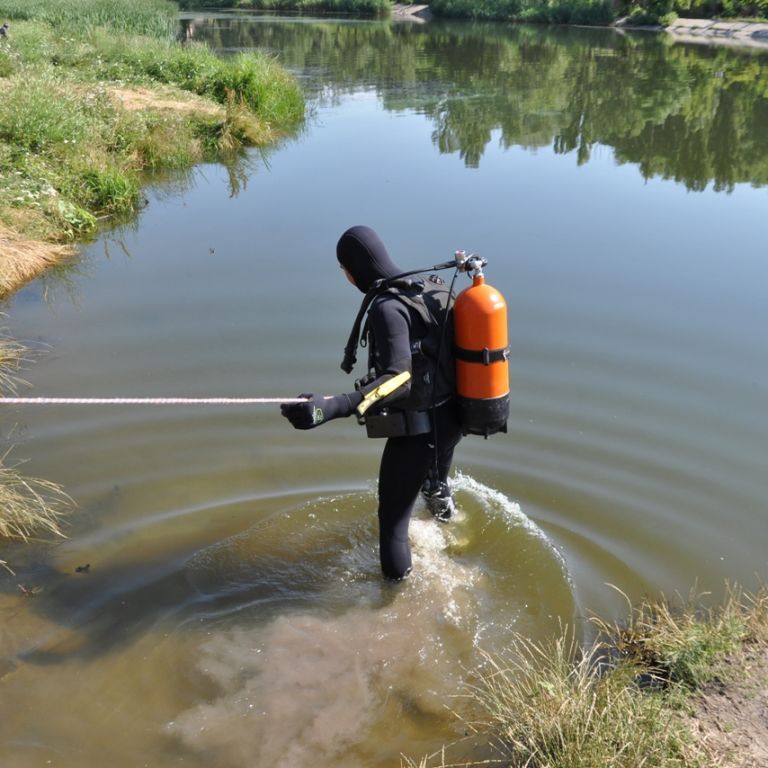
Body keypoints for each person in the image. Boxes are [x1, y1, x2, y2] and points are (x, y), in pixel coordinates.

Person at [281, 225, 464, 581]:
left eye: (343, 270)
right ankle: (453, 534)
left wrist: (328, 408)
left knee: (392, 525)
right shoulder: (430, 289)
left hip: (417, 432)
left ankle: (395, 603)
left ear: (353, 268)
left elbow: (398, 379)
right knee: (435, 487)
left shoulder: (388, 308)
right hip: (453, 419)